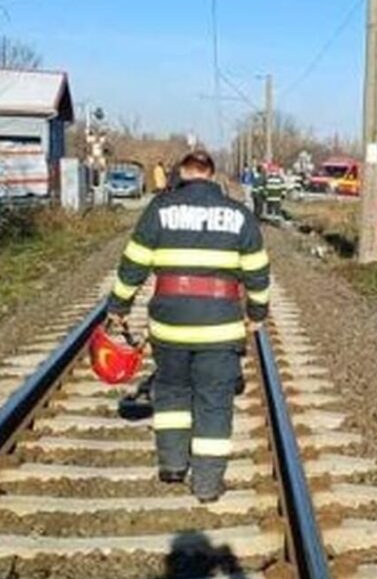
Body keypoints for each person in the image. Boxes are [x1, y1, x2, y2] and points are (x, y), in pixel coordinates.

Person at [106, 149, 270, 503]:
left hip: (170, 325)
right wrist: (257, 315)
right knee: (214, 401)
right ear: (212, 175)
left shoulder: (160, 210)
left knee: (172, 390)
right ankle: (208, 484)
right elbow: (258, 273)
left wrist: (118, 307)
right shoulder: (240, 216)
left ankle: (173, 466)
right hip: (220, 327)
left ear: (181, 173)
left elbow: (132, 264)